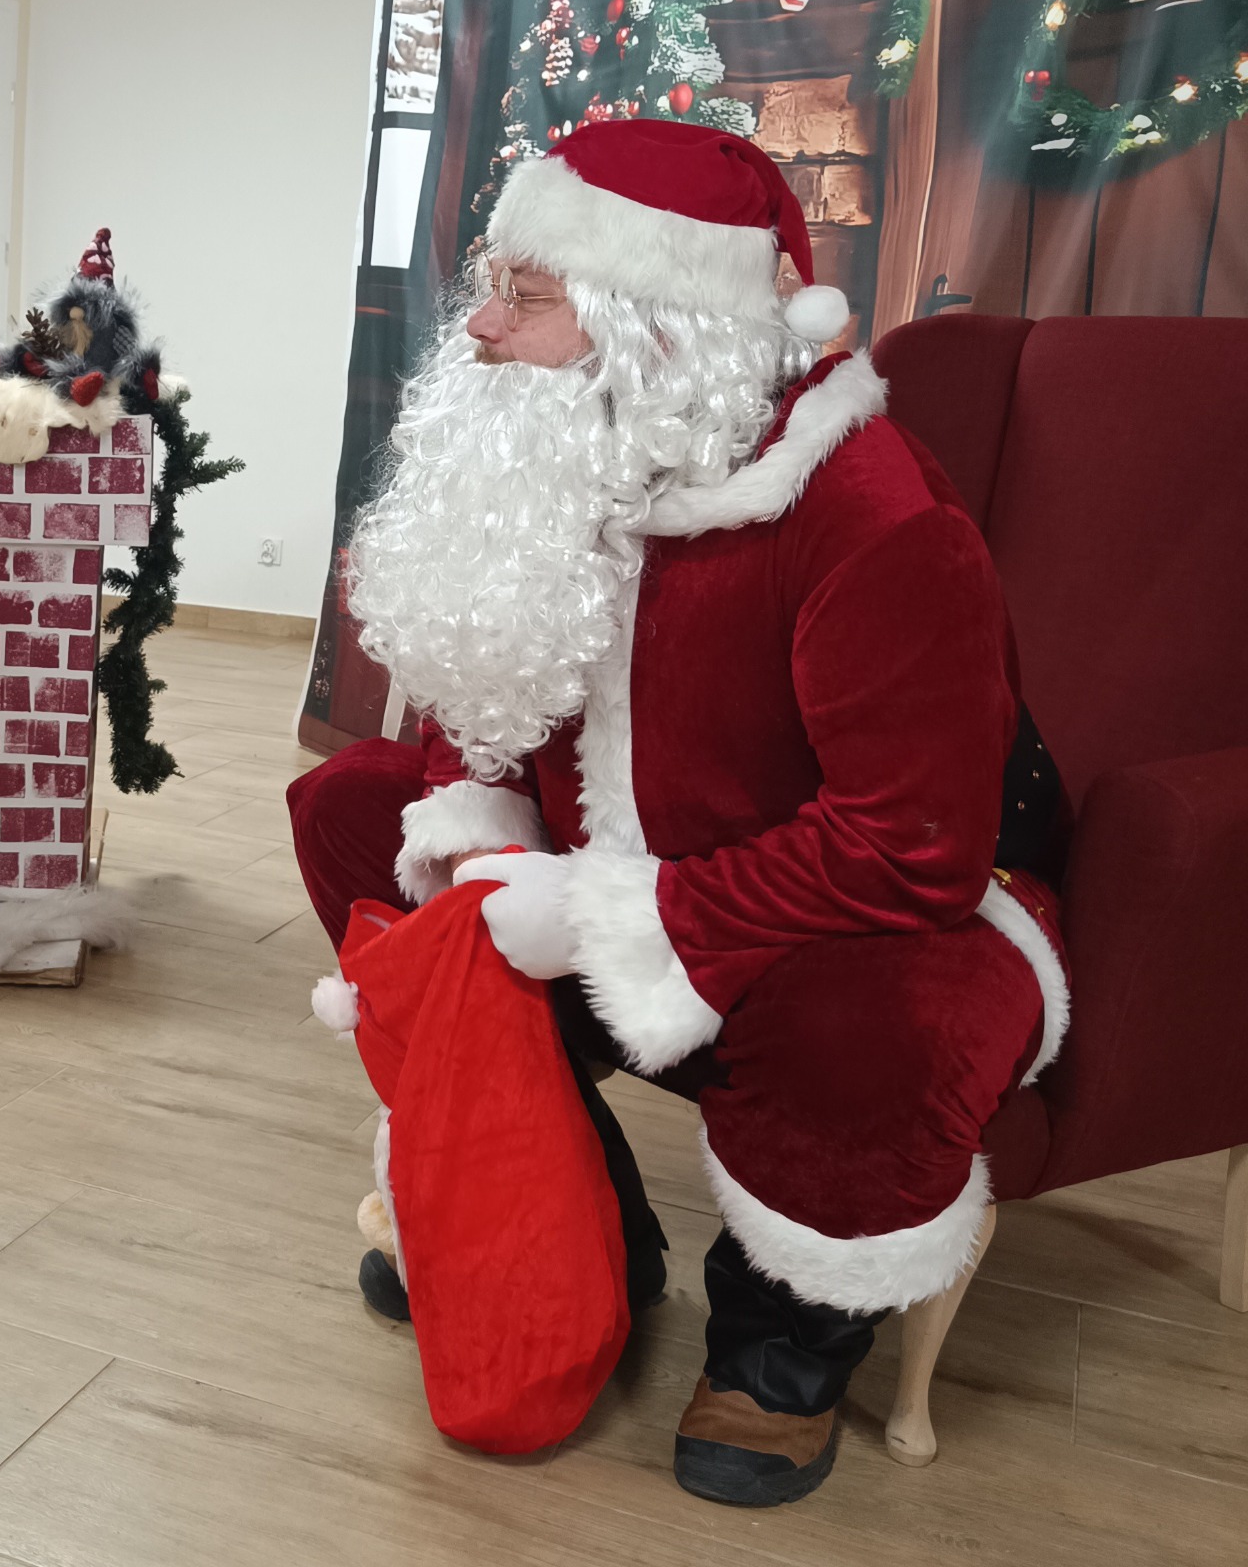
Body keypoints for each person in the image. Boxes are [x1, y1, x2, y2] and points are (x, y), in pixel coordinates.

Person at [288, 119, 1066, 1506]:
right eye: (497, 283)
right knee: (358, 814)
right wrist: (489, 837)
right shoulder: (579, 449)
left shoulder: (871, 515)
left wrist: (595, 909)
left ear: (655, 325)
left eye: (527, 297)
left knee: (893, 1014)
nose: (479, 327)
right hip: (637, 857)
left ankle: (781, 1348)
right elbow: (494, 694)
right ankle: (567, 1216)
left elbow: (916, 849)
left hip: (878, 904)